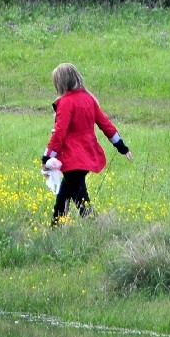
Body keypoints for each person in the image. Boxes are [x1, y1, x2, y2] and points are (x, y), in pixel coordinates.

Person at [41, 63, 132, 225]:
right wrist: (121, 146)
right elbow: (105, 124)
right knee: (63, 197)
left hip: (72, 158)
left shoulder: (66, 102)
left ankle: (96, 228)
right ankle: (55, 228)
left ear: (60, 82)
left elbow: (59, 133)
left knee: (81, 201)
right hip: (87, 155)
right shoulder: (88, 99)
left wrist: (47, 157)